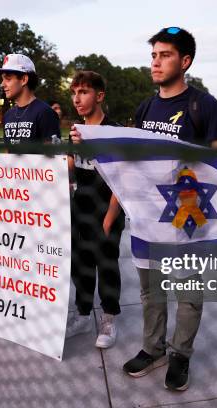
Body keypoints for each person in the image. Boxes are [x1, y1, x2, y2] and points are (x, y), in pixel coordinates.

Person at [71, 26, 217, 391]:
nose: (156, 62)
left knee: (188, 292)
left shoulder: (203, 105)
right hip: (148, 217)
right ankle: (153, 347)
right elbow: (131, 159)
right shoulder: (147, 107)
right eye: (153, 55)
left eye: (165, 55)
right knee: (151, 289)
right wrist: (93, 142)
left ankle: (180, 355)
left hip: (188, 216)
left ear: (185, 61)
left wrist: (188, 162)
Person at [65, 71, 125, 349]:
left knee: (107, 263)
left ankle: (109, 317)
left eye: (84, 92)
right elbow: (68, 167)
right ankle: (83, 313)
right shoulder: (75, 130)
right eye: (74, 92)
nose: (77, 98)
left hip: (107, 209)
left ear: (99, 96)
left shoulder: (113, 131)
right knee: (82, 263)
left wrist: (111, 215)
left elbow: (121, 178)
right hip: (81, 207)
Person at [0, 54, 61, 145]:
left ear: (24, 79)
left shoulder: (45, 113)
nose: (2, 84)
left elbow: (53, 155)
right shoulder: (8, 115)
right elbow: (8, 154)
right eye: (2, 79)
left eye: (8, 79)